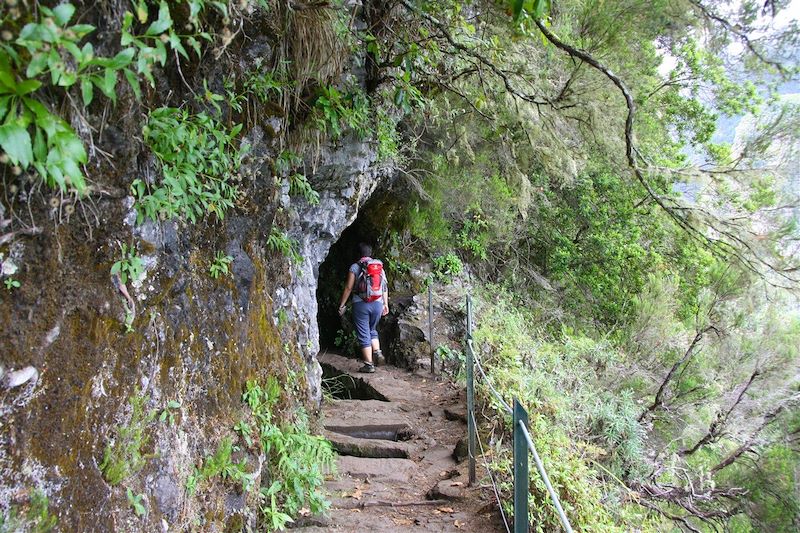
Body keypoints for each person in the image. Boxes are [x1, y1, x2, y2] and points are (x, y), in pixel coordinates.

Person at [337, 242, 389, 373]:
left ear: (358, 254)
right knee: (372, 329)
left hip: (361, 304)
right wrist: (385, 304)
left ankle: (369, 364)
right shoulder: (378, 267)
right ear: (370, 254)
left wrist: (342, 304)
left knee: (363, 332)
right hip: (377, 303)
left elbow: (348, 287)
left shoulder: (355, 267)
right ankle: (377, 351)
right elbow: (384, 287)